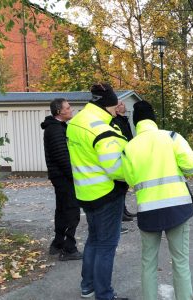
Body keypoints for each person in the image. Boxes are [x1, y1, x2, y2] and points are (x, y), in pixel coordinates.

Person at [121, 101, 193, 300]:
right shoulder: (172, 137)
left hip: (148, 211)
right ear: (154, 119)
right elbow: (191, 166)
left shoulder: (129, 148)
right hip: (178, 209)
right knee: (180, 261)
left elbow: (130, 180)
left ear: (135, 122)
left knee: (148, 262)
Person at [67, 83, 129, 300]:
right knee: (107, 245)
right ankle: (104, 295)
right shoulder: (102, 130)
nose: (114, 113)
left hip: (85, 192)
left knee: (94, 240)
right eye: (113, 109)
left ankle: (88, 285)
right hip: (107, 194)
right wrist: (133, 173)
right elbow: (116, 169)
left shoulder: (76, 122)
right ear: (105, 106)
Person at [41, 98, 82, 261]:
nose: (71, 109)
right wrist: (75, 177)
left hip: (60, 177)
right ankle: (69, 249)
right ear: (59, 112)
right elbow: (61, 157)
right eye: (68, 107)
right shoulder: (55, 130)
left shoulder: (57, 127)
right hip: (63, 177)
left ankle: (57, 244)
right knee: (72, 211)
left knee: (62, 210)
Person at [111, 100, 136, 223]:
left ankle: (124, 210)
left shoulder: (124, 120)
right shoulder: (115, 121)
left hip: (128, 153)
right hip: (121, 154)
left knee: (124, 186)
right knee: (120, 187)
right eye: (120, 104)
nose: (123, 106)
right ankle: (120, 213)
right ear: (116, 109)